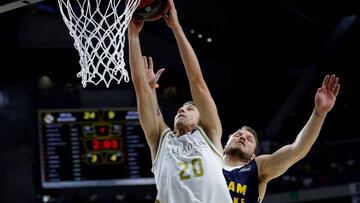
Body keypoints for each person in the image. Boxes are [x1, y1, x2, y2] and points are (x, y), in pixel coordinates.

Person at [127, 0, 232, 201]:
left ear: (202, 118)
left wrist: (176, 27)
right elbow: (140, 88)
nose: (181, 110)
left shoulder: (209, 134)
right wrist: (133, 35)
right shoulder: (160, 141)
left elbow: (197, 80)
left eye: (190, 108)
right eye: (181, 109)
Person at [223, 74, 340, 203]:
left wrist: (319, 113)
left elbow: (297, 150)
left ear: (253, 156)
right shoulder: (208, 158)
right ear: (225, 144)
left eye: (249, 139)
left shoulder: (257, 168)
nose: (243, 138)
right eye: (238, 135)